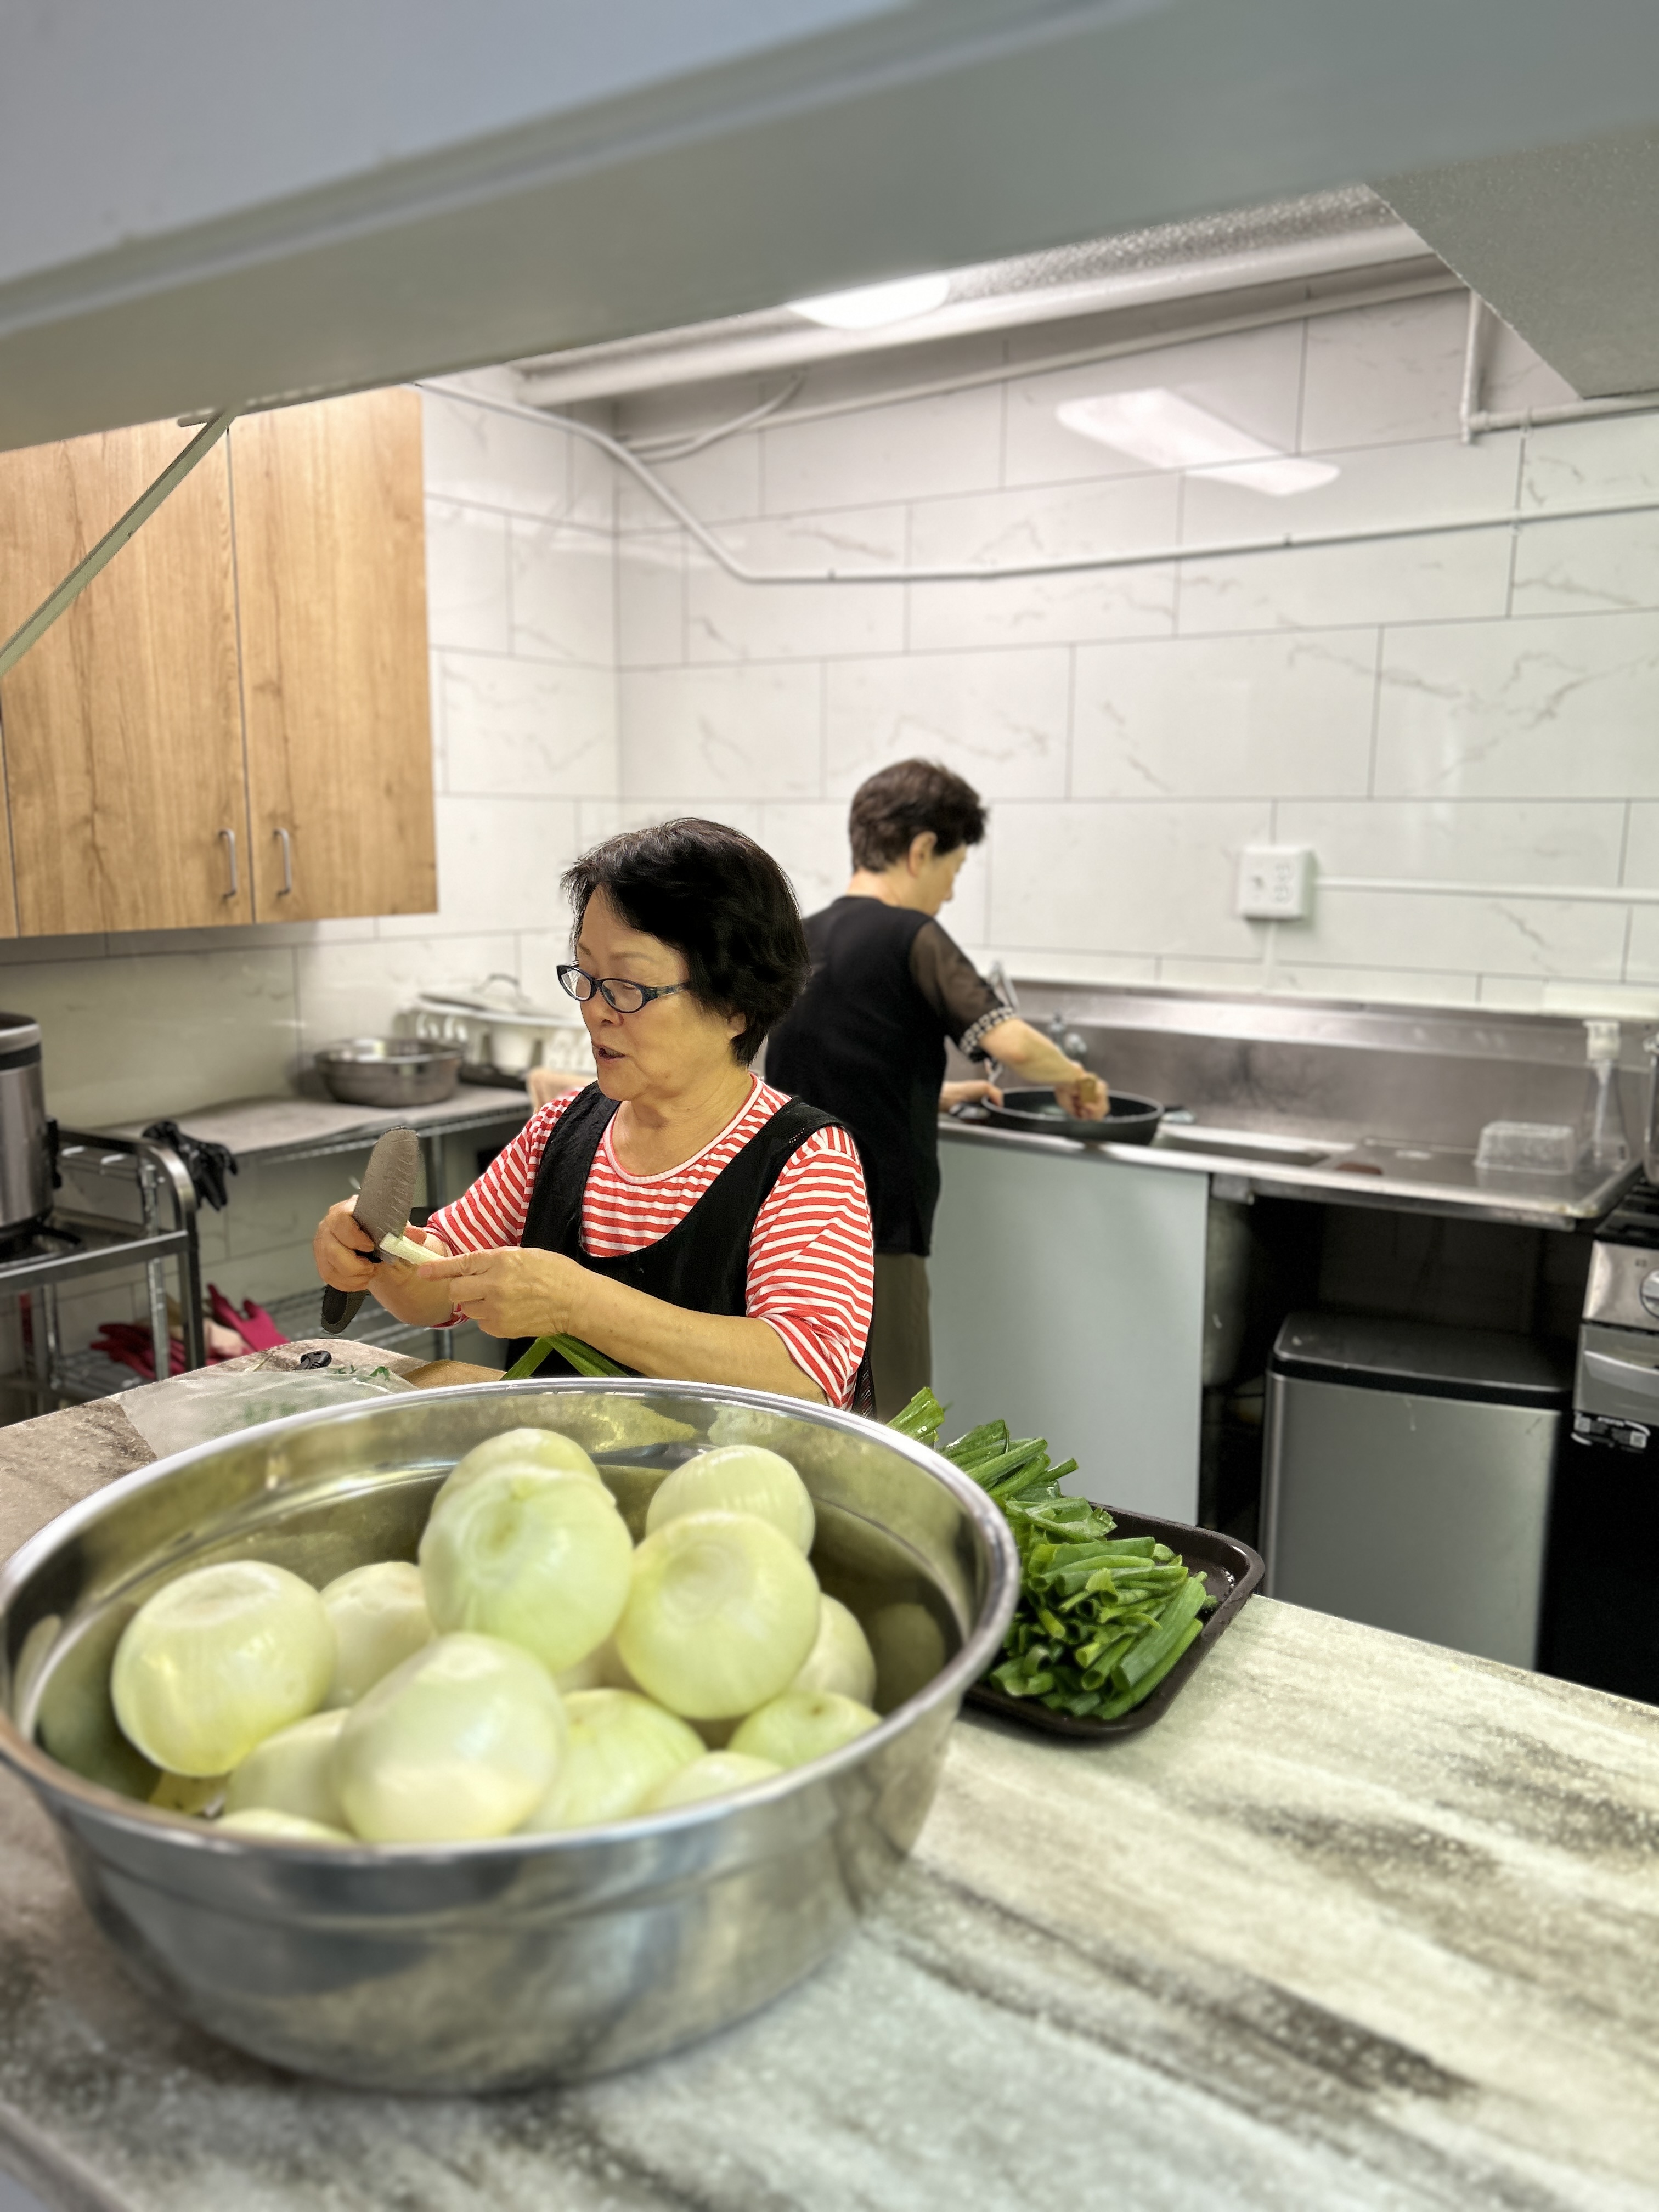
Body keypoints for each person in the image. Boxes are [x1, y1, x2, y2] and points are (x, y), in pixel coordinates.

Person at [312, 821, 873, 1407]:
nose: (597, 1012)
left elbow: (806, 1379)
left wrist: (579, 1304)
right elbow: (442, 1284)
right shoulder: (562, 1129)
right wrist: (380, 1255)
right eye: (587, 976)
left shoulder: (805, 1160)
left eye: (628, 986)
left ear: (737, 1005)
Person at [765, 758, 1107, 1417]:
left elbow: (830, 1067)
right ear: (921, 851)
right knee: (896, 1423)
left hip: (787, 1225)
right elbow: (1009, 1041)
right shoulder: (912, 935)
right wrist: (1077, 1077)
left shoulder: (800, 938)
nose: (949, 893)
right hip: (876, 1226)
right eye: (954, 869)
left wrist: (937, 1095)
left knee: (808, 1409)